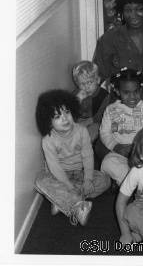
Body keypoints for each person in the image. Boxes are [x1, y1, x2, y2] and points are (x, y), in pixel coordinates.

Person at [34, 89, 110, 226]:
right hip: (59, 176)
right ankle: (78, 205)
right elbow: (54, 167)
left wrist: (88, 179)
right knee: (40, 181)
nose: (64, 118)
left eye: (67, 112)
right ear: (48, 122)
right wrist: (68, 185)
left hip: (79, 173)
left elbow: (88, 156)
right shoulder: (48, 140)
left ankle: (62, 199)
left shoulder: (81, 131)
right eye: (57, 116)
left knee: (105, 180)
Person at [100, 68, 143, 185]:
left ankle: (139, 183)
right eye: (126, 93)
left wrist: (141, 150)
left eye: (136, 91)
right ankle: (134, 183)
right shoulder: (111, 109)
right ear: (117, 91)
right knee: (107, 163)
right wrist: (116, 147)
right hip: (120, 154)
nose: (132, 97)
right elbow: (105, 133)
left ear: (140, 89)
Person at [93, 0, 143, 84]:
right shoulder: (109, 39)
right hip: (121, 98)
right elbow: (98, 78)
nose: (133, 15)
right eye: (128, 10)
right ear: (122, 12)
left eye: (139, 9)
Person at [72, 60, 109, 142]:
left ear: (98, 80)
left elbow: (103, 115)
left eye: (90, 82)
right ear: (77, 84)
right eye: (82, 84)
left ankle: (86, 147)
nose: (86, 87)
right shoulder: (76, 94)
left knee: (91, 132)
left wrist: (87, 122)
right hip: (79, 121)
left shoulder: (104, 95)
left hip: (96, 121)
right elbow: (71, 112)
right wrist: (78, 100)